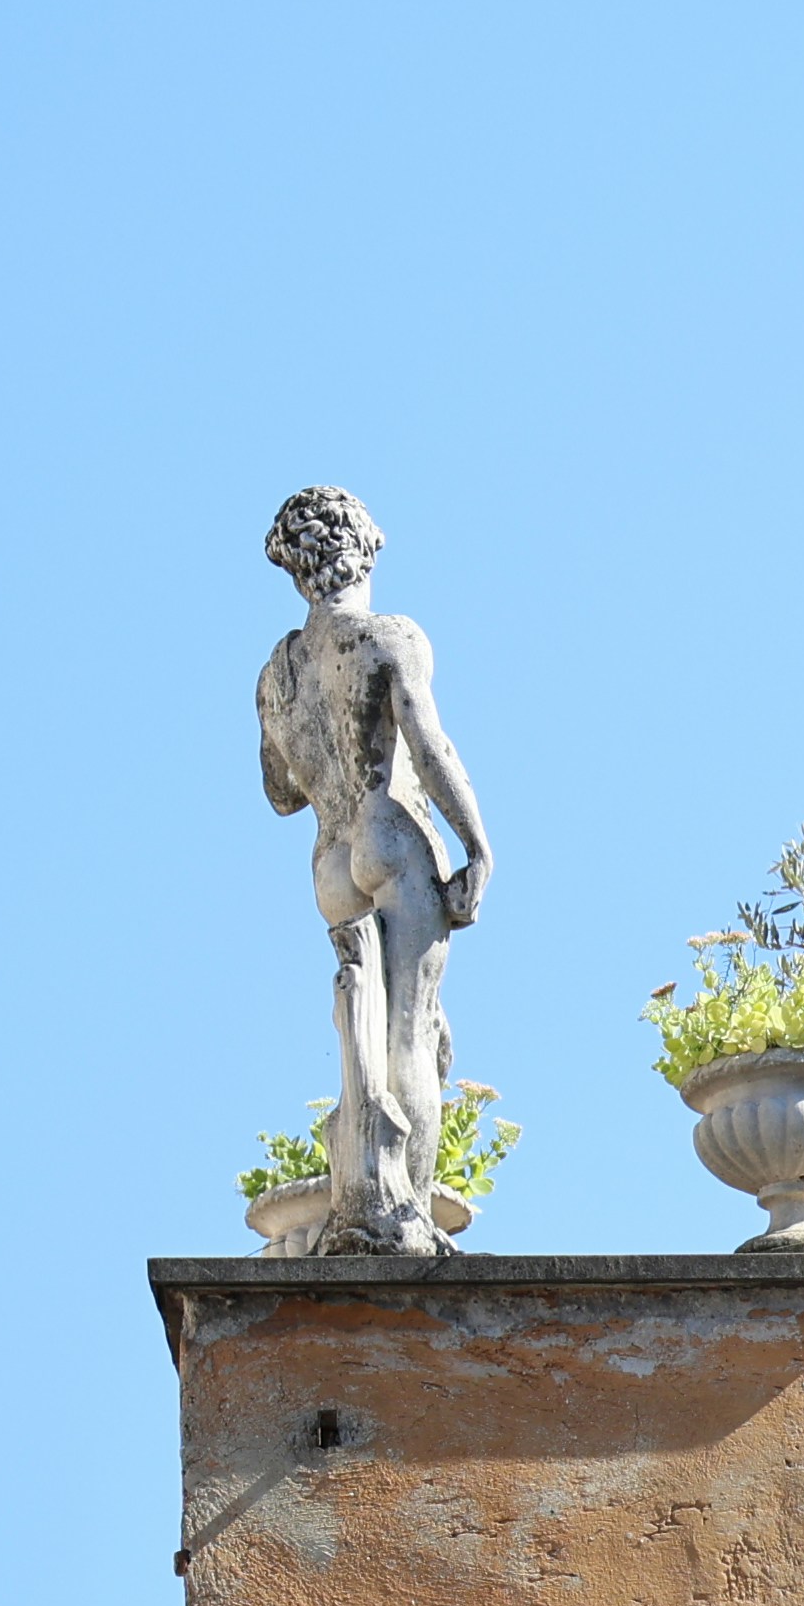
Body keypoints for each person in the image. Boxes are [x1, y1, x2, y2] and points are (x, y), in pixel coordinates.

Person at [252, 489, 494, 1253]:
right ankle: (404, 1215)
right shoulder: (388, 637)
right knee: (409, 1036)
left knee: (361, 1038)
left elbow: (281, 793)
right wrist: (477, 844)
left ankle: (363, 1198)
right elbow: (428, 744)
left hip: (330, 860)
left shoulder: (277, 672)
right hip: (389, 835)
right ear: (363, 550)